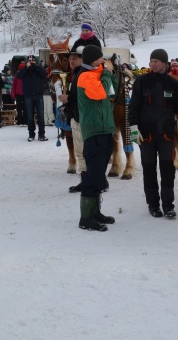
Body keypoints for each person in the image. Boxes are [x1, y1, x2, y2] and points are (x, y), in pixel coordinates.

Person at [129, 49, 178, 219]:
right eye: (151, 61)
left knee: (168, 171)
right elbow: (134, 107)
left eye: (156, 61)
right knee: (149, 171)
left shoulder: (172, 84)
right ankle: (153, 205)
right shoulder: (141, 82)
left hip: (166, 135)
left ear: (165, 64)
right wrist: (133, 128)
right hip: (146, 136)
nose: (153, 64)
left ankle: (168, 206)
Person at [76, 45, 116, 231]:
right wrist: (107, 74)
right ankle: (86, 218)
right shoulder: (85, 76)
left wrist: (110, 73)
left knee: (99, 174)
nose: (103, 61)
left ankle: (96, 212)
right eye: (101, 58)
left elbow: (110, 89)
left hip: (105, 129)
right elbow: (100, 92)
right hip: (94, 131)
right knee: (92, 175)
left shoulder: (96, 73)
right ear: (93, 60)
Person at [59, 47, 87, 192]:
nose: (71, 61)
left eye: (74, 59)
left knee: (82, 151)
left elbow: (84, 96)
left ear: (83, 59)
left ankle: (87, 182)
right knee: (80, 150)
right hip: (76, 115)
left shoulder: (83, 74)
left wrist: (68, 98)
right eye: (70, 59)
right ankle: (87, 180)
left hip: (82, 118)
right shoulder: (75, 74)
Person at [17, 54, 48, 142]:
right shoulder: (25, 70)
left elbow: (44, 74)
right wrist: (26, 67)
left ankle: (42, 134)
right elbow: (19, 76)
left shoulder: (38, 69)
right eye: (29, 61)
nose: (31, 63)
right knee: (30, 116)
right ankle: (31, 134)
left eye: (32, 61)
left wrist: (37, 66)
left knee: (41, 116)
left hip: (38, 95)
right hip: (28, 95)